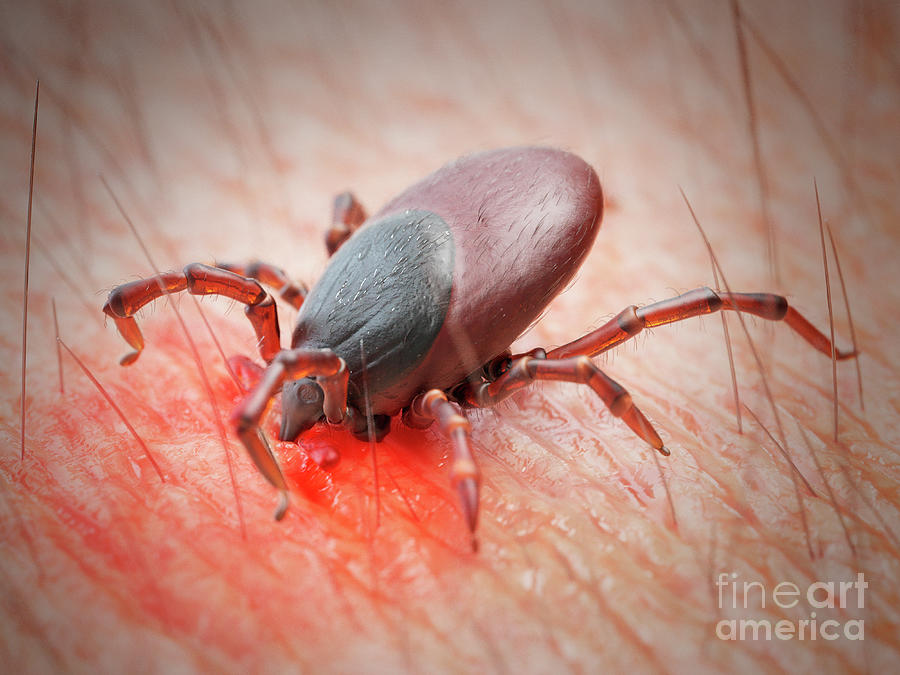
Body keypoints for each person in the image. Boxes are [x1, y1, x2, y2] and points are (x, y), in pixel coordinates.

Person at [1, 1, 894, 671]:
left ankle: (825, 347)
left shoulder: (408, 386)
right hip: (448, 236)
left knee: (600, 345)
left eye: (292, 382)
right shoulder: (304, 326)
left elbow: (441, 409)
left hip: (499, 238)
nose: (300, 403)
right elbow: (319, 287)